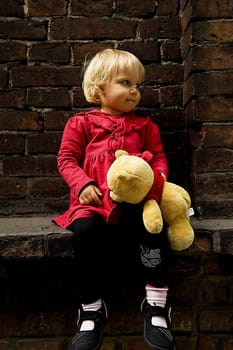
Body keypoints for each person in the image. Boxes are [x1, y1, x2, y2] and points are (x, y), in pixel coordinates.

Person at [53, 48, 174, 350]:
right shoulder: (80, 124)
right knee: (84, 235)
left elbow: (159, 160)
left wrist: (155, 187)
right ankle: (91, 310)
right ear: (100, 88)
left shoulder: (146, 127)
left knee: (154, 231)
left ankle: (157, 305)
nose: (134, 91)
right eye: (125, 83)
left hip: (136, 202)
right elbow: (66, 159)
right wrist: (82, 185)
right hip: (91, 203)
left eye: (137, 85)